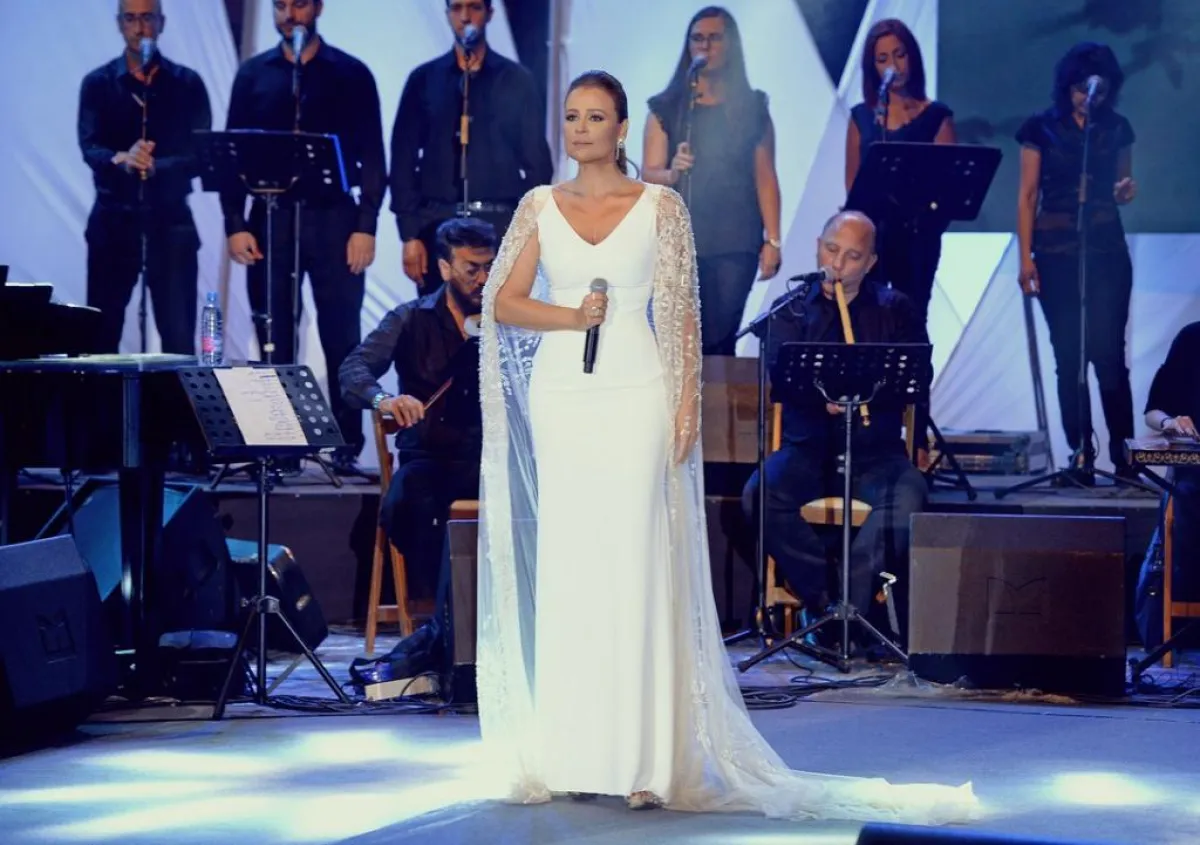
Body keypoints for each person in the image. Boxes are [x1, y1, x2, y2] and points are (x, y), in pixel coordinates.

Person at [476, 69, 978, 822]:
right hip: (562, 396)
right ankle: (574, 750)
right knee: (573, 564)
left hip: (637, 391)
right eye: (572, 116)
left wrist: (686, 404)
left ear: (622, 128)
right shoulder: (538, 206)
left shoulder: (660, 206)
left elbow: (681, 314)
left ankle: (645, 757)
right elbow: (505, 301)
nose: (581, 128)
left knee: (637, 560)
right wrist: (571, 317)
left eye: (596, 117)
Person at [741, 211, 928, 640]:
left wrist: (869, 395)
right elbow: (782, 379)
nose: (837, 264)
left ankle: (849, 609)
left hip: (875, 453)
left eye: (852, 256)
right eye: (831, 250)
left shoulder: (894, 309)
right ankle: (826, 603)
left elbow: (917, 379)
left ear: (871, 263)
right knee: (760, 495)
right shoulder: (790, 310)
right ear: (818, 247)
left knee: (908, 499)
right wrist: (818, 398)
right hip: (809, 449)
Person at [222, 0, 386, 470]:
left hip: (335, 219)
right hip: (271, 216)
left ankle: (345, 445)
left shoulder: (350, 73)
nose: (290, 14)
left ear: (317, 8)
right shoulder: (254, 74)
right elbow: (233, 151)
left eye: (299, 4)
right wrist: (235, 222)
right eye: (280, 5)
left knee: (342, 333)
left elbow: (373, 157)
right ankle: (282, 444)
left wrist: (366, 226)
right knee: (274, 332)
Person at [339, 217, 492, 602]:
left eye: (490, 267)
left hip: (489, 458)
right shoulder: (409, 318)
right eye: (472, 269)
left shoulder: (506, 320)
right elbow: (353, 369)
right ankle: (446, 617)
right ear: (445, 268)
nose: (483, 279)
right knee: (414, 499)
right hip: (430, 458)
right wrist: (385, 400)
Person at [1016, 42, 1138, 481]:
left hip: (1105, 250)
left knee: (1109, 356)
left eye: (1099, 92)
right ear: (1068, 87)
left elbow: (1123, 185)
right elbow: (1028, 194)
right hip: (1055, 251)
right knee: (1069, 356)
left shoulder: (1117, 128)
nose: (1089, 98)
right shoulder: (1040, 128)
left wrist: (1124, 191)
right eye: (1082, 90)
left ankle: (1125, 456)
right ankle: (1080, 453)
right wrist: (1025, 258)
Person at [643, 6, 783, 356]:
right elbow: (649, 173)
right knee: (679, 338)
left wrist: (773, 240)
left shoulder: (752, 107)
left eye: (715, 38)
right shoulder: (667, 107)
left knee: (720, 336)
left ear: (731, 44)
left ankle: (718, 393)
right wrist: (673, 172)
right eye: (698, 38)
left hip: (736, 239)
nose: (705, 46)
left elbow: (766, 175)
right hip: (680, 237)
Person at [391, 0, 554, 295]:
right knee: (440, 317)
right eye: (457, 8)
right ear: (447, 14)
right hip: (437, 224)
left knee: (498, 317)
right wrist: (409, 234)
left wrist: (524, 230)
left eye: (474, 7)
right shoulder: (424, 79)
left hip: (499, 225)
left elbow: (537, 164)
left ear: (489, 14)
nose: (465, 17)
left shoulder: (516, 80)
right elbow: (402, 158)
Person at [78, 0, 212, 354]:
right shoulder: (98, 84)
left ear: (161, 22)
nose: (140, 28)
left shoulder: (187, 84)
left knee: (178, 337)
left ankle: (170, 394)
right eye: (131, 19)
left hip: (171, 223)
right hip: (113, 220)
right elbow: (90, 147)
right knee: (101, 335)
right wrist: (121, 159)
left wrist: (157, 167)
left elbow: (200, 155)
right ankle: (104, 395)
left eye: (147, 18)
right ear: (120, 24)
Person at [845, 18, 955, 329]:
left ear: (912, 56)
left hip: (918, 236)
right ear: (873, 67)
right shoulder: (862, 117)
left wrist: (928, 225)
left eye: (900, 54)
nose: (893, 65)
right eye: (882, 59)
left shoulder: (936, 116)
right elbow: (852, 183)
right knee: (868, 320)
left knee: (912, 318)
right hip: (872, 238)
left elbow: (949, 184)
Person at [1138, 322, 1200, 645]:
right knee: (1185, 500)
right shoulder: (1191, 338)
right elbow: (1153, 410)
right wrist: (1170, 422)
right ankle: (1174, 627)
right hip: (1194, 475)